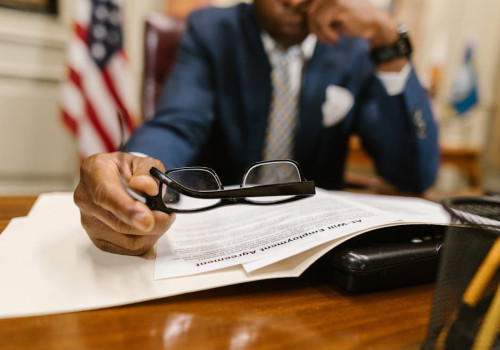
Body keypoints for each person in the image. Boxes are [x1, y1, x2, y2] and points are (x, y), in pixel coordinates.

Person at [74, 0, 440, 255]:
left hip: (317, 242)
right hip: (216, 229)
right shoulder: (211, 31)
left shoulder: (354, 49)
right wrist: (135, 168)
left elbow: (412, 174)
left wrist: (388, 41)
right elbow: (178, 124)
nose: (296, 2)